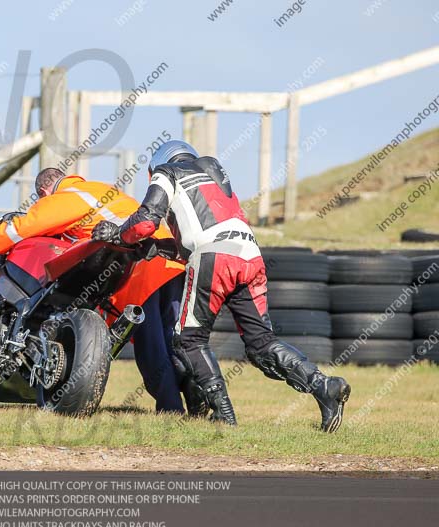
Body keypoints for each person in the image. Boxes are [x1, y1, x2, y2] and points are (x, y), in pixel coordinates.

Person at [92, 141, 351, 432]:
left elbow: (145, 221)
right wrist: (149, 248)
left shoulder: (166, 172)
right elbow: (189, 241)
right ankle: (323, 386)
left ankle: (224, 417)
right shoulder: (214, 174)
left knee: (188, 341)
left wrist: (117, 234)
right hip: (250, 255)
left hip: (214, 257)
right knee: (261, 344)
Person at [0, 168, 190, 413]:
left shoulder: (68, 196)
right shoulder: (101, 190)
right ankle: (198, 406)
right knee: (177, 342)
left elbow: (21, 228)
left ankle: (172, 409)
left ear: (43, 192)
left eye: (42, 200)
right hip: (170, 260)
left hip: (143, 262)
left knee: (152, 345)